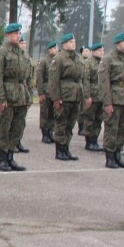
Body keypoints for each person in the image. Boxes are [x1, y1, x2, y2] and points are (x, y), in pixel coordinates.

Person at [0, 23, 31, 172]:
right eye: (14, 33)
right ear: (8, 35)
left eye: (19, 33)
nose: (18, 35)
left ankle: (11, 156)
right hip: (8, 94)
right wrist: (0, 99)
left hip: (21, 95)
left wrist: (29, 97)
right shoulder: (1, 52)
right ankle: (2, 159)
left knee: (18, 128)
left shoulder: (23, 53)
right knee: (5, 128)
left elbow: (28, 78)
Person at [97, 33, 124, 169]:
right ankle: (110, 156)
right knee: (112, 128)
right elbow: (104, 82)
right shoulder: (108, 59)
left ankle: (118, 154)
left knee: (123, 128)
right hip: (115, 98)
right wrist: (107, 102)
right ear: (118, 43)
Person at [48, 33, 85, 161]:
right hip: (64, 95)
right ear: (64, 45)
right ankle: (59, 150)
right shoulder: (59, 58)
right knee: (61, 123)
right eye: (70, 42)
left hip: (76, 95)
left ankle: (66, 148)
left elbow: (82, 78)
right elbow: (54, 80)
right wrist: (56, 98)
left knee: (70, 124)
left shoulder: (79, 58)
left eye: (74, 41)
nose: (73, 44)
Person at [81, 43, 105, 152]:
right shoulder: (88, 63)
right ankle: (89, 141)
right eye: (100, 50)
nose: (102, 52)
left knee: (98, 120)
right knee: (90, 119)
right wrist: (87, 96)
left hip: (101, 96)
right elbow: (85, 80)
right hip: (92, 95)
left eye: (103, 50)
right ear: (94, 51)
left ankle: (95, 140)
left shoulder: (103, 63)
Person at [36, 42, 57, 144]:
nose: (56, 50)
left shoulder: (57, 60)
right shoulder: (44, 61)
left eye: (56, 48)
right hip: (45, 91)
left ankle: (50, 132)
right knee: (45, 113)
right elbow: (39, 77)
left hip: (54, 92)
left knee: (53, 114)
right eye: (54, 48)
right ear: (50, 49)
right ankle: (45, 133)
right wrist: (40, 92)